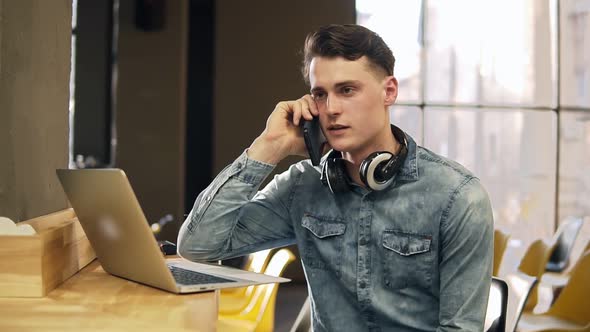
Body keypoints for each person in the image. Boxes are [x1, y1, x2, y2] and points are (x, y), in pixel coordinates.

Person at [178, 24, 493, 331]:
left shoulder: (458, 196)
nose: (331, 109)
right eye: (320, 94)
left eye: (347, 90)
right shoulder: (302, 185)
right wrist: (269, 147)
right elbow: (198, 244)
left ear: (389, 91)